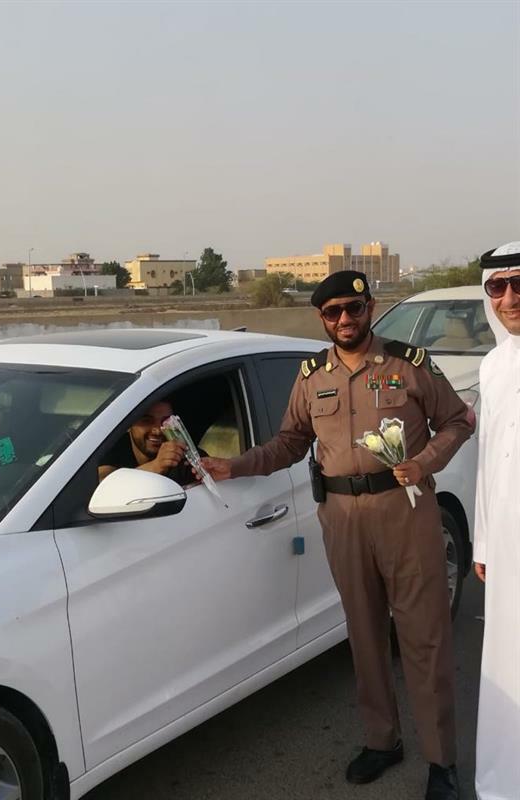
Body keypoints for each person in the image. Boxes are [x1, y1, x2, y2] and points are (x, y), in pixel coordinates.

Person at [202, 270, 474, 800]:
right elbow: (289, 442)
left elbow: (458, 422)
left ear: (369, 307)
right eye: (333, 312)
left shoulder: (408, 364)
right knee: (365, 633)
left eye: (353, 308)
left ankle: (442, 761)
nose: (345, 319)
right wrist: (234, 466)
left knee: (423, 638)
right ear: (322, 319)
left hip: (404, 512)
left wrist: (424, 462)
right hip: (342, 518)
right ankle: (382, 741)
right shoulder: (311, 376)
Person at [473, 242, 520, 800]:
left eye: (519, 284)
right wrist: (482, 541)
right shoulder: (492, 365)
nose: (509, 298)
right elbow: (488, 458)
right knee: (507, 659)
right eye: (497, 287)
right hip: (506, 540)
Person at [98, 399, 198, 486]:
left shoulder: (183, 454)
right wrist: (156, 466)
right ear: (128, 425)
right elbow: (101, 485)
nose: (158, 431)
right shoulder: (112, 447)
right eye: (147, 421)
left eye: (165, 422)